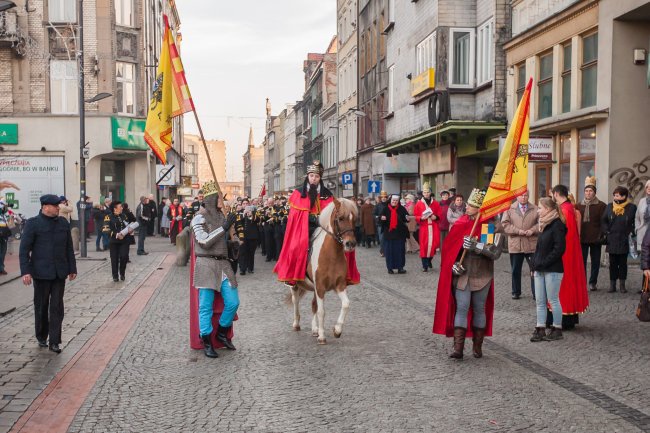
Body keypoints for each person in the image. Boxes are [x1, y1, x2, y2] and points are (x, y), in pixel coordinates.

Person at [433, 189, 501, 360]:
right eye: (468, 205)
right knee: (461, 308)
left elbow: (494, 253)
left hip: (482, 274)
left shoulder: (488, 225)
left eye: (471, 206)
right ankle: (458, 349)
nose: (467, 208)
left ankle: (477, 347)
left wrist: (476, 246)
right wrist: (454, 265)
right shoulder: (461, 223)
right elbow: (450, 251)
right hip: (463, 274)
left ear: (480, 208)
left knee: (479, 309)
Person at [274, 161, 360, 286]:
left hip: (324, 227)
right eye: (312, 176)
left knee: (344, 244)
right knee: (296, 247)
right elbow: (296, 216)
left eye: (317, 176)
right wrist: (313, 218)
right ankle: (293, 276)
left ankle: (344, 274)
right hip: (305, 227)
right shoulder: (298, 194)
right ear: (308, 177)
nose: (314, 179)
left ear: (320, 178)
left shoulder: (327, 194)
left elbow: (334, 211)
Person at [19, 194, 77, 353]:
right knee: (41, 306)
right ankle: (41, 335)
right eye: (55, 206)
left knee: (57, 307)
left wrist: (72, 268)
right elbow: (24, 250)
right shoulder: (33, 224)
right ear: (45, 207)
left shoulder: (63, 223)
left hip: (60, 273)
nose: (59, 208)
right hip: (40, 273)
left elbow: (68, 248)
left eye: (58, 205)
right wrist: (25, 272)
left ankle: (55, 341)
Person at [190, 180, 239, 358]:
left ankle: (221, 332)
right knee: (205, 307)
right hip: (206, 265)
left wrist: (232, 245)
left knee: (233, 302)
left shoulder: (221, 217)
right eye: (219, 198)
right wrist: (223, 228)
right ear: (210, 199)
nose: (222, 201)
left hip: (223, 264)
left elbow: (221, 242)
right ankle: (207, 340)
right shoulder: (198, 218)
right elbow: (204, 241)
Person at [551, 184, 589, 329]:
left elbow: (564, 235)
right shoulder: (568, 208)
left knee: (563, 285)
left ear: (556, 194)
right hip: (568, 251)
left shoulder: (564, 210)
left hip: (565, 253)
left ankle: (564, 319)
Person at [530, 197, 567, 342]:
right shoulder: (544, 224)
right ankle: (540, 328)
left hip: (553, 269)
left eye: (540, 208)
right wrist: (534, 264)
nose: (538, 210)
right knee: (540, 300)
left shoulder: (557, 225)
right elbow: (539, 248)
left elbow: (559, 249)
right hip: (540, 268)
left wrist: (544, 263)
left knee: (553, 299)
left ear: (548, 209)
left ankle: (557, 328)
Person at [501, 190, 538, 299]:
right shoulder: (509, 209)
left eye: (526, 195)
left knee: (534, 269)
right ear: (517, 197)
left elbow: (540, 223)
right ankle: (516, 292)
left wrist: (533, 230)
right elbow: (505, 224)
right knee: (515, 270)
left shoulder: (535, 208)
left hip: (531, 244)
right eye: (521, 195)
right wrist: (518, 231)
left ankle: (536, 292)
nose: (523, 197)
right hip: (516, 244)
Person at [602, 186, 637, 293]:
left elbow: (635, 221)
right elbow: (603, 220)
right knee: (612, 263)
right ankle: (612, 285)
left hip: (624, 239)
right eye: (614, 195)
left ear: (624, 196)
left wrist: (631, 232)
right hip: (612, 239)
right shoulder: (609, 206)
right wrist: (606, 232)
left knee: (622, 263)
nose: (615, 197)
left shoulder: (631, 207)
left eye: (617, 195)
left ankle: (622, 285)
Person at [575, 177, 607, 291]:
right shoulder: (578, 205)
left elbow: (604, 222)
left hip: (595, 238)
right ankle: (582, 281)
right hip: (582, 237)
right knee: (581, 262)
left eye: (591, 191)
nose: (588, 193)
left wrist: (601, 234)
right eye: (586, 191)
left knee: (595, 262)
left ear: (594, 192)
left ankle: (593, 282)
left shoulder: (601, 205)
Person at [414, 183, 441, 272]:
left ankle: (429, 260)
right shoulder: (419, 204)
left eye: (427, 192)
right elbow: (416, 215)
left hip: (434, 227)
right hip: (424, 228)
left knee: (434, 245)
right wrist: (420, 218)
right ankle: (424, 265)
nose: (426, 194)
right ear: (423, 193)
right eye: (424, 192)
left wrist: (436, 217)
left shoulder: (436, 203)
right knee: (424, 246)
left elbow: (439, 214)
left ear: (430, 193)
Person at [380, 195, 409, 274]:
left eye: (396, 201)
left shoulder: (402, 209)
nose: (394, 202)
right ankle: (390, 268)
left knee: (400, 251)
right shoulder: (385, 209)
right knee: (389, 252)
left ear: (398, 201)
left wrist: (407, 218)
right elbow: (380, 220)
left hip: (399, 234)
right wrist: (382, 219)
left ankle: (400, 267)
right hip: (389, 234)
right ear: (390, 201)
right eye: (393, 201)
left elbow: (406, 218)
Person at [105, 201, 133, 282]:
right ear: (115, 208)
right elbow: (105, 229)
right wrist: (116, 234)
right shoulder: (108, 217)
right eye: (120, 206)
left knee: (124, 257)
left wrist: (130, 230)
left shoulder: (124, 216)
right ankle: (115, 275)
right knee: (114, 259)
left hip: (124, 240)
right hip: (114, 241)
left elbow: (127, 226)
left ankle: (122, 273)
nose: (122, 208)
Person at [235, 198, 259, 275]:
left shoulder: (254, 212)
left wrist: (251, 215)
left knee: (251, 253)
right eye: (243, 204)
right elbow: (237, 222)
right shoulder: (239, 213)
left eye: (246, 203)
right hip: (242, 236)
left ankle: (250, 268)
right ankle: (242, 269)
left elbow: (258, 220)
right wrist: (244, 215)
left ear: (249, 204)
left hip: (252, 236)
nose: (245, 205)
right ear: (241, 205)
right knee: (242, 253)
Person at [635, 180, 650, 292]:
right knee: (645, 259)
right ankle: (644, 286)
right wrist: (637, 227)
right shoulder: (642, 201)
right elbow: (637, 217)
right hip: (643, 232)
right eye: (647, 187)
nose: (649, 188)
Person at [373, 191, 389, 257]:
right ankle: (382, 251)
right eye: (382, 197)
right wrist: (379, 217)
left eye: (385, 197)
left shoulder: (389, 205)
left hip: (388, 224)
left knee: (388, 238)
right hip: (380, 224)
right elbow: (374, 214)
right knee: (382, 238)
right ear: (380, 198)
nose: (383, 198)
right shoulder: (377, 205)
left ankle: (388, 251)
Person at [0, 200, 12, 275]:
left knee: (3, 252)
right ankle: (1, 268)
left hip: (4, 235)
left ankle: (1, 268)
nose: (6, 208)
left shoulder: (5, 214)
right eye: (5, 206)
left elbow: (11, 224)